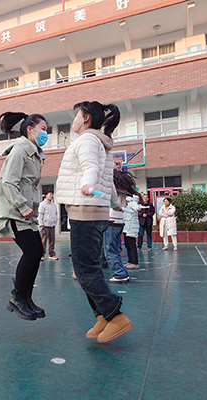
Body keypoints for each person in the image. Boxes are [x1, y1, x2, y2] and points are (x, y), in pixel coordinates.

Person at [55, 101, 133, 343]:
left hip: (85, 210)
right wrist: (114, 203)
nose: (74, 120)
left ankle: (114, 315)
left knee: (84, 268)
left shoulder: (88, 140)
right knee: (87, 267)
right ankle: (102, 316)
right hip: (94, 211)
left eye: (77, 115)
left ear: (86, 118)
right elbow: (108, 180)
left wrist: (87, 184)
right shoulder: (100, 143)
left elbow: (91, 168)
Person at [0, 112, 47, 321]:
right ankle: (17, 298)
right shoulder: (19, 151)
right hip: (14, 213)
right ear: (30, 129)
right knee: (31, 252)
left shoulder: (34, 154)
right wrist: (22, 206)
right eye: (43, 128)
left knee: (38, 251)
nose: (46, 133)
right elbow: (8, 182)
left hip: (27, 214)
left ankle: (26, 298)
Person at [104, 169, 136, 282]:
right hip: (119, 221)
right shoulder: (124, 190)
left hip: (111, 220)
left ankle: (119, 274)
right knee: (113, 248)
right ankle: (116, 269)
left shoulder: (111, 189)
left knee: (110, 249)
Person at [123, 192, 143, 269]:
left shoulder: (132, 202)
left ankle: (134, 262)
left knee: (131, 245)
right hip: (127, 226)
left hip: (131, 226)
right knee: (127, 244)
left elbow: (136, 207)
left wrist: (139, 207)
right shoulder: (127, 203)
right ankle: (130, 261)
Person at [38, 191, 59, 261]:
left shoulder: (53, 205)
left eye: (52, 195)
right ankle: (41, 255)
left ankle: (52, 254)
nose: (51, 196)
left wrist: (55, 221)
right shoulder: (42, 204)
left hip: (52, 225)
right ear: (46, 195)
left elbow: (56, 214)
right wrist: (41, 225)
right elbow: (40, 215)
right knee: (43, 241)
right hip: (45, 226)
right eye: (50, 195)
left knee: (52, 241)